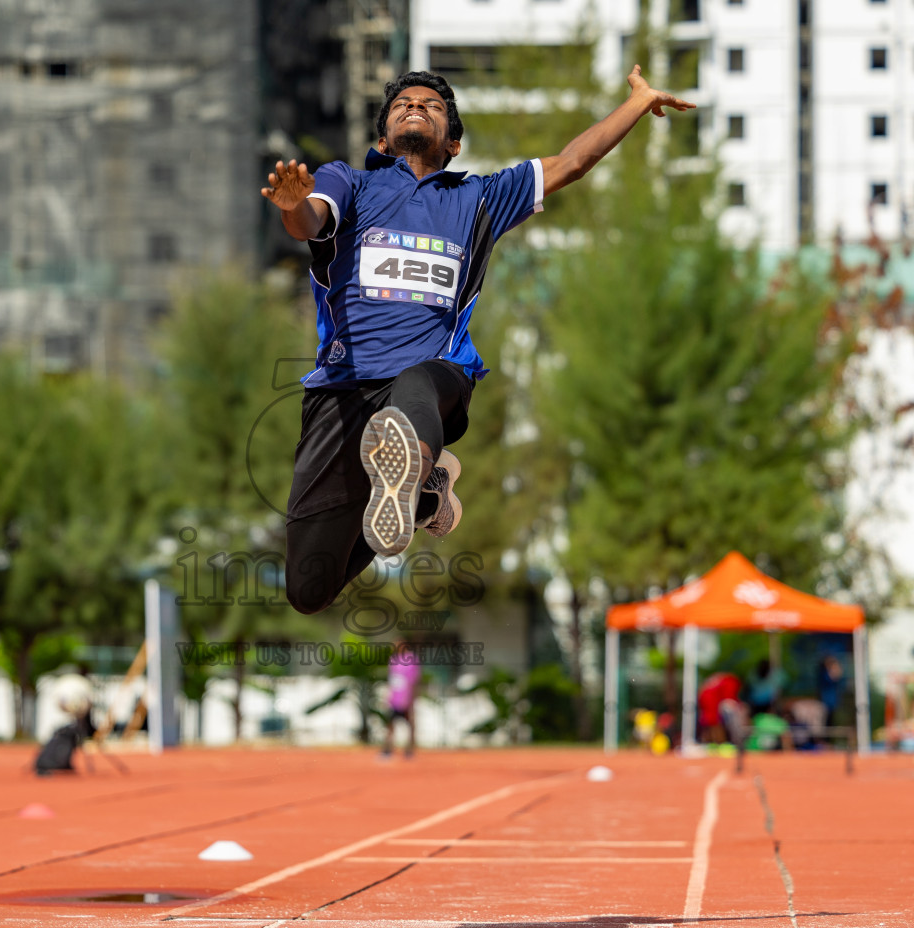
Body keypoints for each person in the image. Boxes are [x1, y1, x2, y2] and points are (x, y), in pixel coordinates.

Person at [263, 67, 694, 614]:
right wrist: (291, 206)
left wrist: (639, 102)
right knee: (307, 592)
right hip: (341, 391)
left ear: (454, 142)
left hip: (433, 380)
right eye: (402, 104)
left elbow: (571, 163)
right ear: (381, 138)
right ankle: (421, 498)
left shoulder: (480, 198)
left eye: (431, 105)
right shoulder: (350, 182)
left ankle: (414, 466)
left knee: (416, 382)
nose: (415, 106)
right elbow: (309, 221)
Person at [383, 640, 420, 758]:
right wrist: (388, 697)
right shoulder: (393, 660)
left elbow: (414, 681)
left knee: (410, 724)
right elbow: (392, 681)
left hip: (406, 698)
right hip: (395, 699)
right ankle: (388, 749)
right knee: (390, 724)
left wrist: (412, 698)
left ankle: (409, 750)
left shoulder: (412, 659)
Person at [814, 654, 845, 725]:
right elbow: (834, 677)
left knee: (831, 722)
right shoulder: (824, 675)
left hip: (832, 703)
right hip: (826, 703)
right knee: (826, 722)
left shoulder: (826, 676)